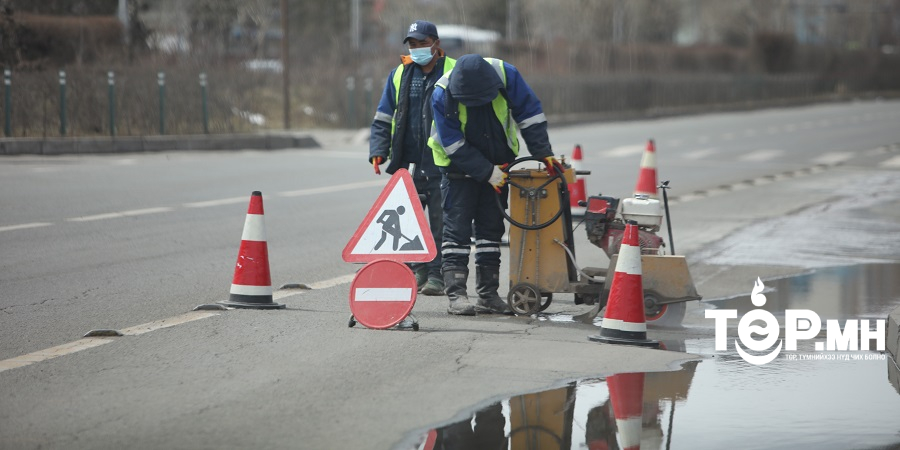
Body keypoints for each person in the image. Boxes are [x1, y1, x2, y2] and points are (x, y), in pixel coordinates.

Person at [428, 54, 564, 316]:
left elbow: (530, 114)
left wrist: (542, 151)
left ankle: (488, 295)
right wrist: (486, 172)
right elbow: (452, 143)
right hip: (458, 170)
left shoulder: (506, 75)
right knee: (457, 232)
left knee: (491, 230)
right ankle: (456, 294)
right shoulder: (442, 93)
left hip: (499, 166)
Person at [369, 20, 456, 296]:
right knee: (408, 223)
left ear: (436, 44)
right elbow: (384, 115)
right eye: (413, 45)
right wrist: (378, 149)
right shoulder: (400, 74)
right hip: (408, 162)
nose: (417, 49)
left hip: (442, 162)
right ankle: (417, 270)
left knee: (441, 223)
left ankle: (437, 275)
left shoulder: (454, 71)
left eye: (422, 43)